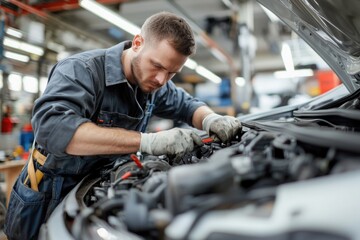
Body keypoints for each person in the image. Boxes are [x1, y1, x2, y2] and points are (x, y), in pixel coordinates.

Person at [4, 11, 241, 240]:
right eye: (157, 66)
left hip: (94, 190)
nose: (161, 80)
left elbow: (187, 105)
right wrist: (148, 141)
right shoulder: (81, 70)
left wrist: (211, 119)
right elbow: (53, 130)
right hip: (47, 197)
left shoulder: (152, 83)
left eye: (171, 73)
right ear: (137, 43)